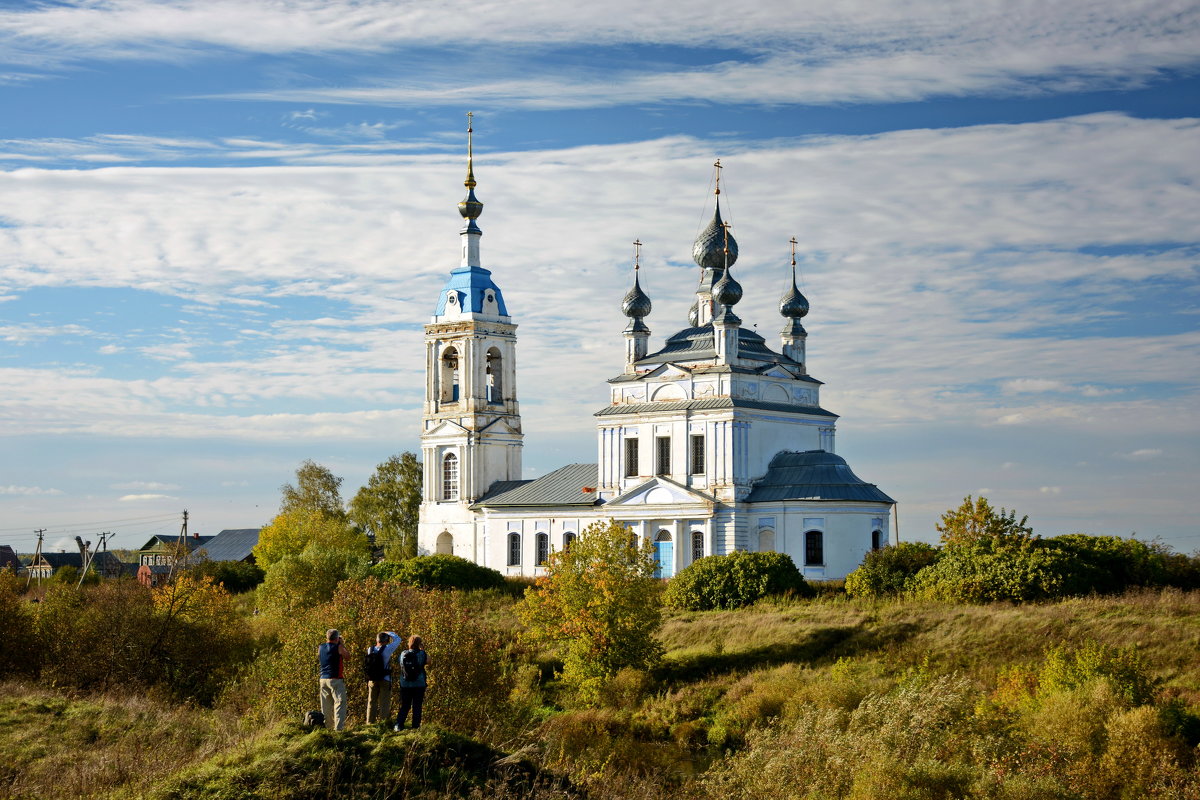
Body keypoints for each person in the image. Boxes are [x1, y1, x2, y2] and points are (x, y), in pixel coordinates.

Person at [365, 630, 401, 724]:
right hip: (385, 678)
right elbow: (398, 639)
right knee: (384, 703)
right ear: (386, 640)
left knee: (371, 702)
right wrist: (389, 633)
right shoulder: (387, 649)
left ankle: (369, 723)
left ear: (377, 640)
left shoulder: (370, 649)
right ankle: (383, 723)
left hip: (372, 678)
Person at [394, 635, 430, 730]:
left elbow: (400, 663)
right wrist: (423, 649)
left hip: (405, 683)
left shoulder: (403, 654)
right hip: (419, 683)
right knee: (417, 705)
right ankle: (415, 726)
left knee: (405, 705)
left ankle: (398, 724)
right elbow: (429, 661)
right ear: (419, 644)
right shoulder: (422, 654)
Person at [317, 628, 349, 731]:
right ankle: (338, 729)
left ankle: (328, 728)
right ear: (337, 638)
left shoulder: (320, 647)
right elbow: (348, 656)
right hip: (335, 679)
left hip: (323, 679)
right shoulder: (338, 647)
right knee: (339, 703)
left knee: (325, 706)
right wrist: (342, 644)